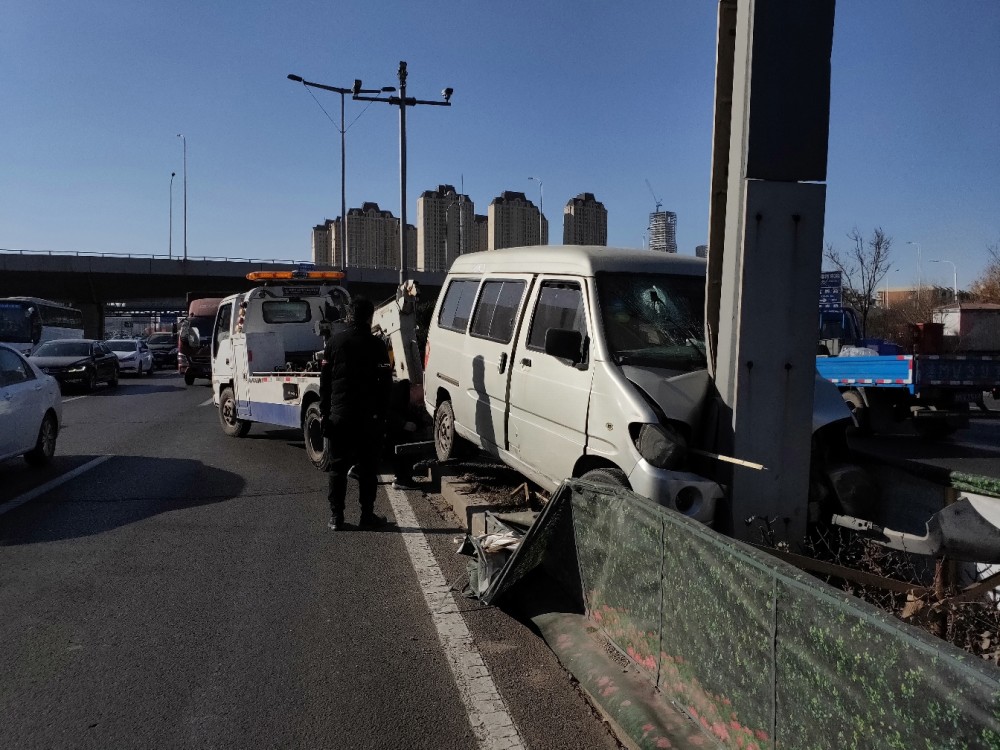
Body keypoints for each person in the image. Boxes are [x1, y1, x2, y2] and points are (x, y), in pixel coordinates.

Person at [319, 296, 393, 530]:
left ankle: (336, 517)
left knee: (337, 467)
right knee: (368, 468)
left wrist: (324, 415)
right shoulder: (378, 346)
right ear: (370, 318)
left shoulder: (333, 344)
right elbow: (385, 384)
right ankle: (366, 515)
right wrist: (382, 416)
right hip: (368, 418)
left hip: (340, 415)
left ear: (349, 317)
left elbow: (325, 384)